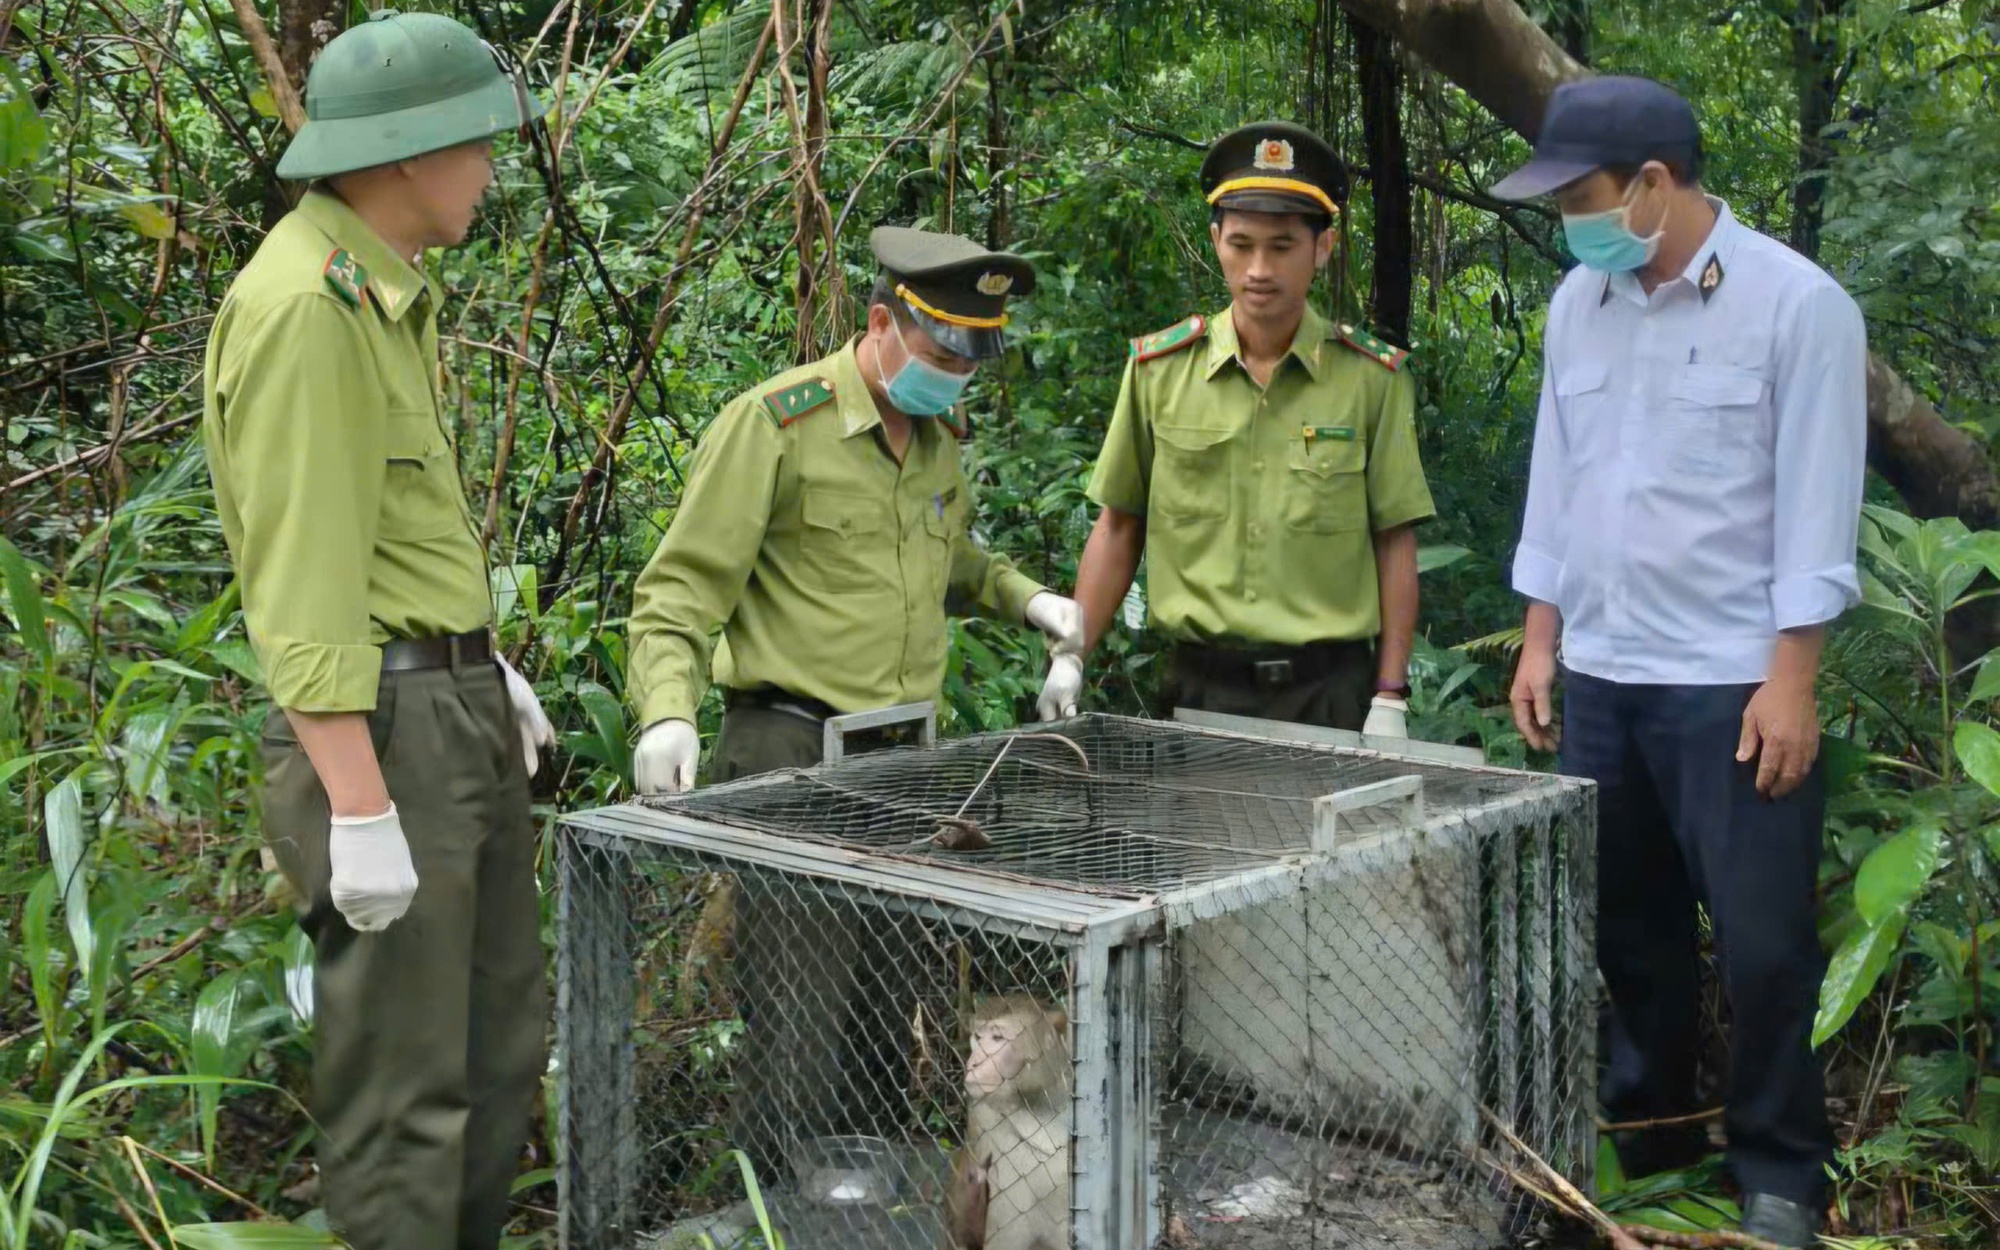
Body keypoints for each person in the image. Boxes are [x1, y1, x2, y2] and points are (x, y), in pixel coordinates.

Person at [1491, 76, 1866, 1248]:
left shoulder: (1794, 307)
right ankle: (1652, 1134)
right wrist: (1539, 635)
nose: (1573, 225)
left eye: (1585, 199)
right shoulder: (1576, 301)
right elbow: (1558, 474)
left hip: (1731, 680)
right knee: (1630, 927)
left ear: (1654, 183)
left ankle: (1777, 1165)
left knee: (1759, 941)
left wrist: (1791, 673)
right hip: (1602, 669)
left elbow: (1815, 502)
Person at [199, 13, 552, 1249]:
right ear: (410, 152)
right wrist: (357, 808)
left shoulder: (380, 296)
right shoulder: (306, 306)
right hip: (381, 736)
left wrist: (483, 663)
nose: (488, 172)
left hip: (440, 712)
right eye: (475, 147)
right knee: (406, 1090)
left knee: (498, 1041)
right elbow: (301, 587)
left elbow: (389, 538)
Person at [626, 226, 1083, 792]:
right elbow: (680, 590)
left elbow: (943, 560)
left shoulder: (935, 435)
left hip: (907, 756)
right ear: (880, 324)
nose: (955, 378)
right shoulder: (775, 427)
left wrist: (1031, 601)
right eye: (941, 357)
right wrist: (669, 713)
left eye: (969, 365)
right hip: (789, 750)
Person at [1036, 122, 1433, 735]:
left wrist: (1390, 695)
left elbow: (1393, 540)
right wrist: (1071, 656)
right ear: (1216, 239)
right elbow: (1119, 526)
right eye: (1241, 244)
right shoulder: (1159, 373)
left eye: (1281, 246)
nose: (1258, 269)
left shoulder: (1370, 382)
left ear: (1321, 249)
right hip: (1199, 690)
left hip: (1329, 692)